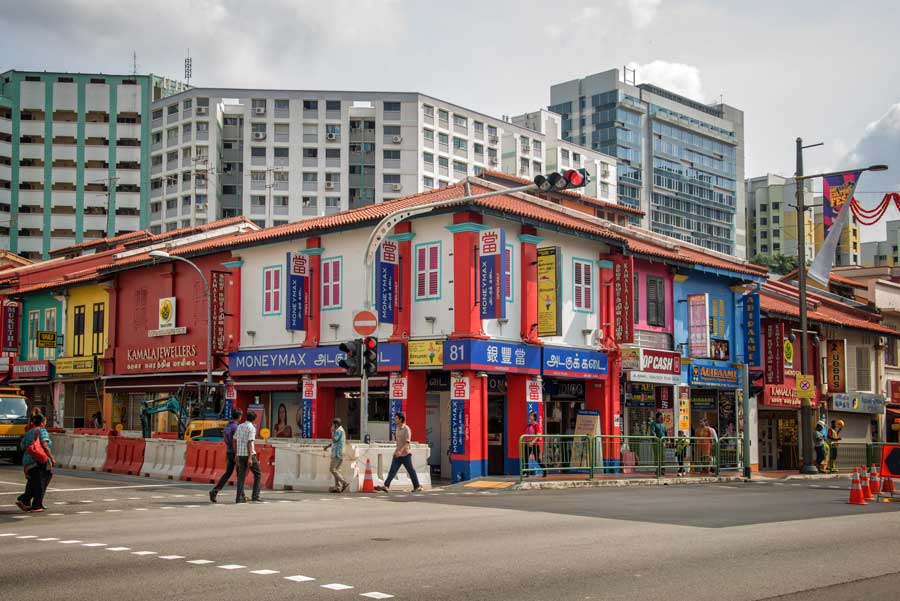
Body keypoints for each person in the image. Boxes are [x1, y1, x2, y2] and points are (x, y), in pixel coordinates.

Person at [376, 412, 423, 493]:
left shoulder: (406, 429)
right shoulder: (397, 428)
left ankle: (417, 486)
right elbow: (398, 442)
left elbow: (407, 442)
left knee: (411, 471)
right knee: (392, 470)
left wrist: (401, 451)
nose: (395, 419)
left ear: (400, 419)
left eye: (396, 418)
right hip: (397, 454)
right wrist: (397, 451)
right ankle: (386, 486)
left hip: (405, 455)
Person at [16, 414, 55, 513]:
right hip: (39, 461)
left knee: (33, 482)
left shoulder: (28, 432)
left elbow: (22, 447)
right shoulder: (42, 431)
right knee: (42, 481)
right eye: (45, 421)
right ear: (42, 422)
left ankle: (26, 500)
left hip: (27, 462)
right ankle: (35, 504)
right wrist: (51, 457)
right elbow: (45, 445)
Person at [209, 408, 242, 503]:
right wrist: (237, 453)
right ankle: (241, 495)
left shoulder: (227, 425)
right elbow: (236, 441)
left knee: (228, 473)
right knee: (240, 474)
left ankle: (215, 491)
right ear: (239, 416)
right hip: (236, 452)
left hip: (229, 451)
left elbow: (225, 438)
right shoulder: (236, 427)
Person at [234, 410, 261, 503]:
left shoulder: (240, 426)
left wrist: (236, 453)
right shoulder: (251, 428)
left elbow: (234, 440)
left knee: (241, 476)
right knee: (257, 474)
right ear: (254, 419)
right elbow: (250, 442)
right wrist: (250, 457)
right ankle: (255, 495)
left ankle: (239, 498)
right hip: (249, 454)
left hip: (240, 454)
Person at [323, 418, 349, 493]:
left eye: (333, 424)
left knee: (332, 469)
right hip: (340, 452)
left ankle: (344, 482)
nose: (332, 426)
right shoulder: (341, 430)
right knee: (336, 470)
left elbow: (335, 440)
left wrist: (332, 431)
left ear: (336, 425)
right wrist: (327, 446)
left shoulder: (338, 431)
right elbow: (335, 442)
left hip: (337, 453)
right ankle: (338, 487)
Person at [523, 411, 545, 478]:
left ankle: (544, 470)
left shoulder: (536, 425)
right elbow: (525, 434)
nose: (530, 416)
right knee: (526, 458)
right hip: (527, 444)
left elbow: (538, 434)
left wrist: (533, 442)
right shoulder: (528, 425)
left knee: (537, 459)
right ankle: (526, 473)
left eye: (531, 415)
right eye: (530, 415)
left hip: (534, 444)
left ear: (534, 417)